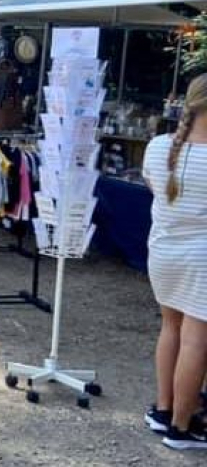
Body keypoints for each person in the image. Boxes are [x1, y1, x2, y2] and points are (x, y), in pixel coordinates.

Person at [142, 74, 207, 451]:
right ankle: (183, 428)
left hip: (164, 252)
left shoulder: (158, 146)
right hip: (201, 259)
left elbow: (156, 190)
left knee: (171, 328)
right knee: (197, 340)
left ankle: (165, 409)